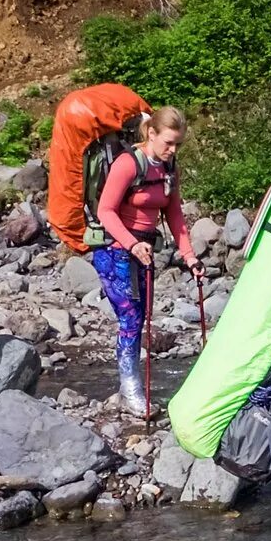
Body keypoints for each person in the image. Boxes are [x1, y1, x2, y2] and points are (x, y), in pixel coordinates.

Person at [91, 106, 202, 415]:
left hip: (145, 251)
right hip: (114, 250)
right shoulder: (129, 163)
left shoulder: (169, 168)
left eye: (178, 144)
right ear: (151, 133)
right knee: (130, 318)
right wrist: (131, 243)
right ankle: (131, 390)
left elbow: (174, 214)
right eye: (168, 142)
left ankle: (128, 386)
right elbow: (105, 212)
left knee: (140, 318)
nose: (172, 149)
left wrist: (190, 257)